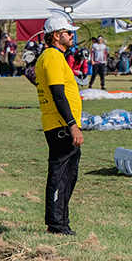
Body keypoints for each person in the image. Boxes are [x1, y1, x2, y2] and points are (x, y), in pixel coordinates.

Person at [35, 14, 84, 235]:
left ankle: (60, 222)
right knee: (60, 174)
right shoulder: (53, 57)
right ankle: (56, 224)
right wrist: (72, 124)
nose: (72, 35)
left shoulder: (53, 57)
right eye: (68, 32)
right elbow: (58, 94)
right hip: (61, 126)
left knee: (67, 176)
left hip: (60, 124)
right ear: (56, 36)